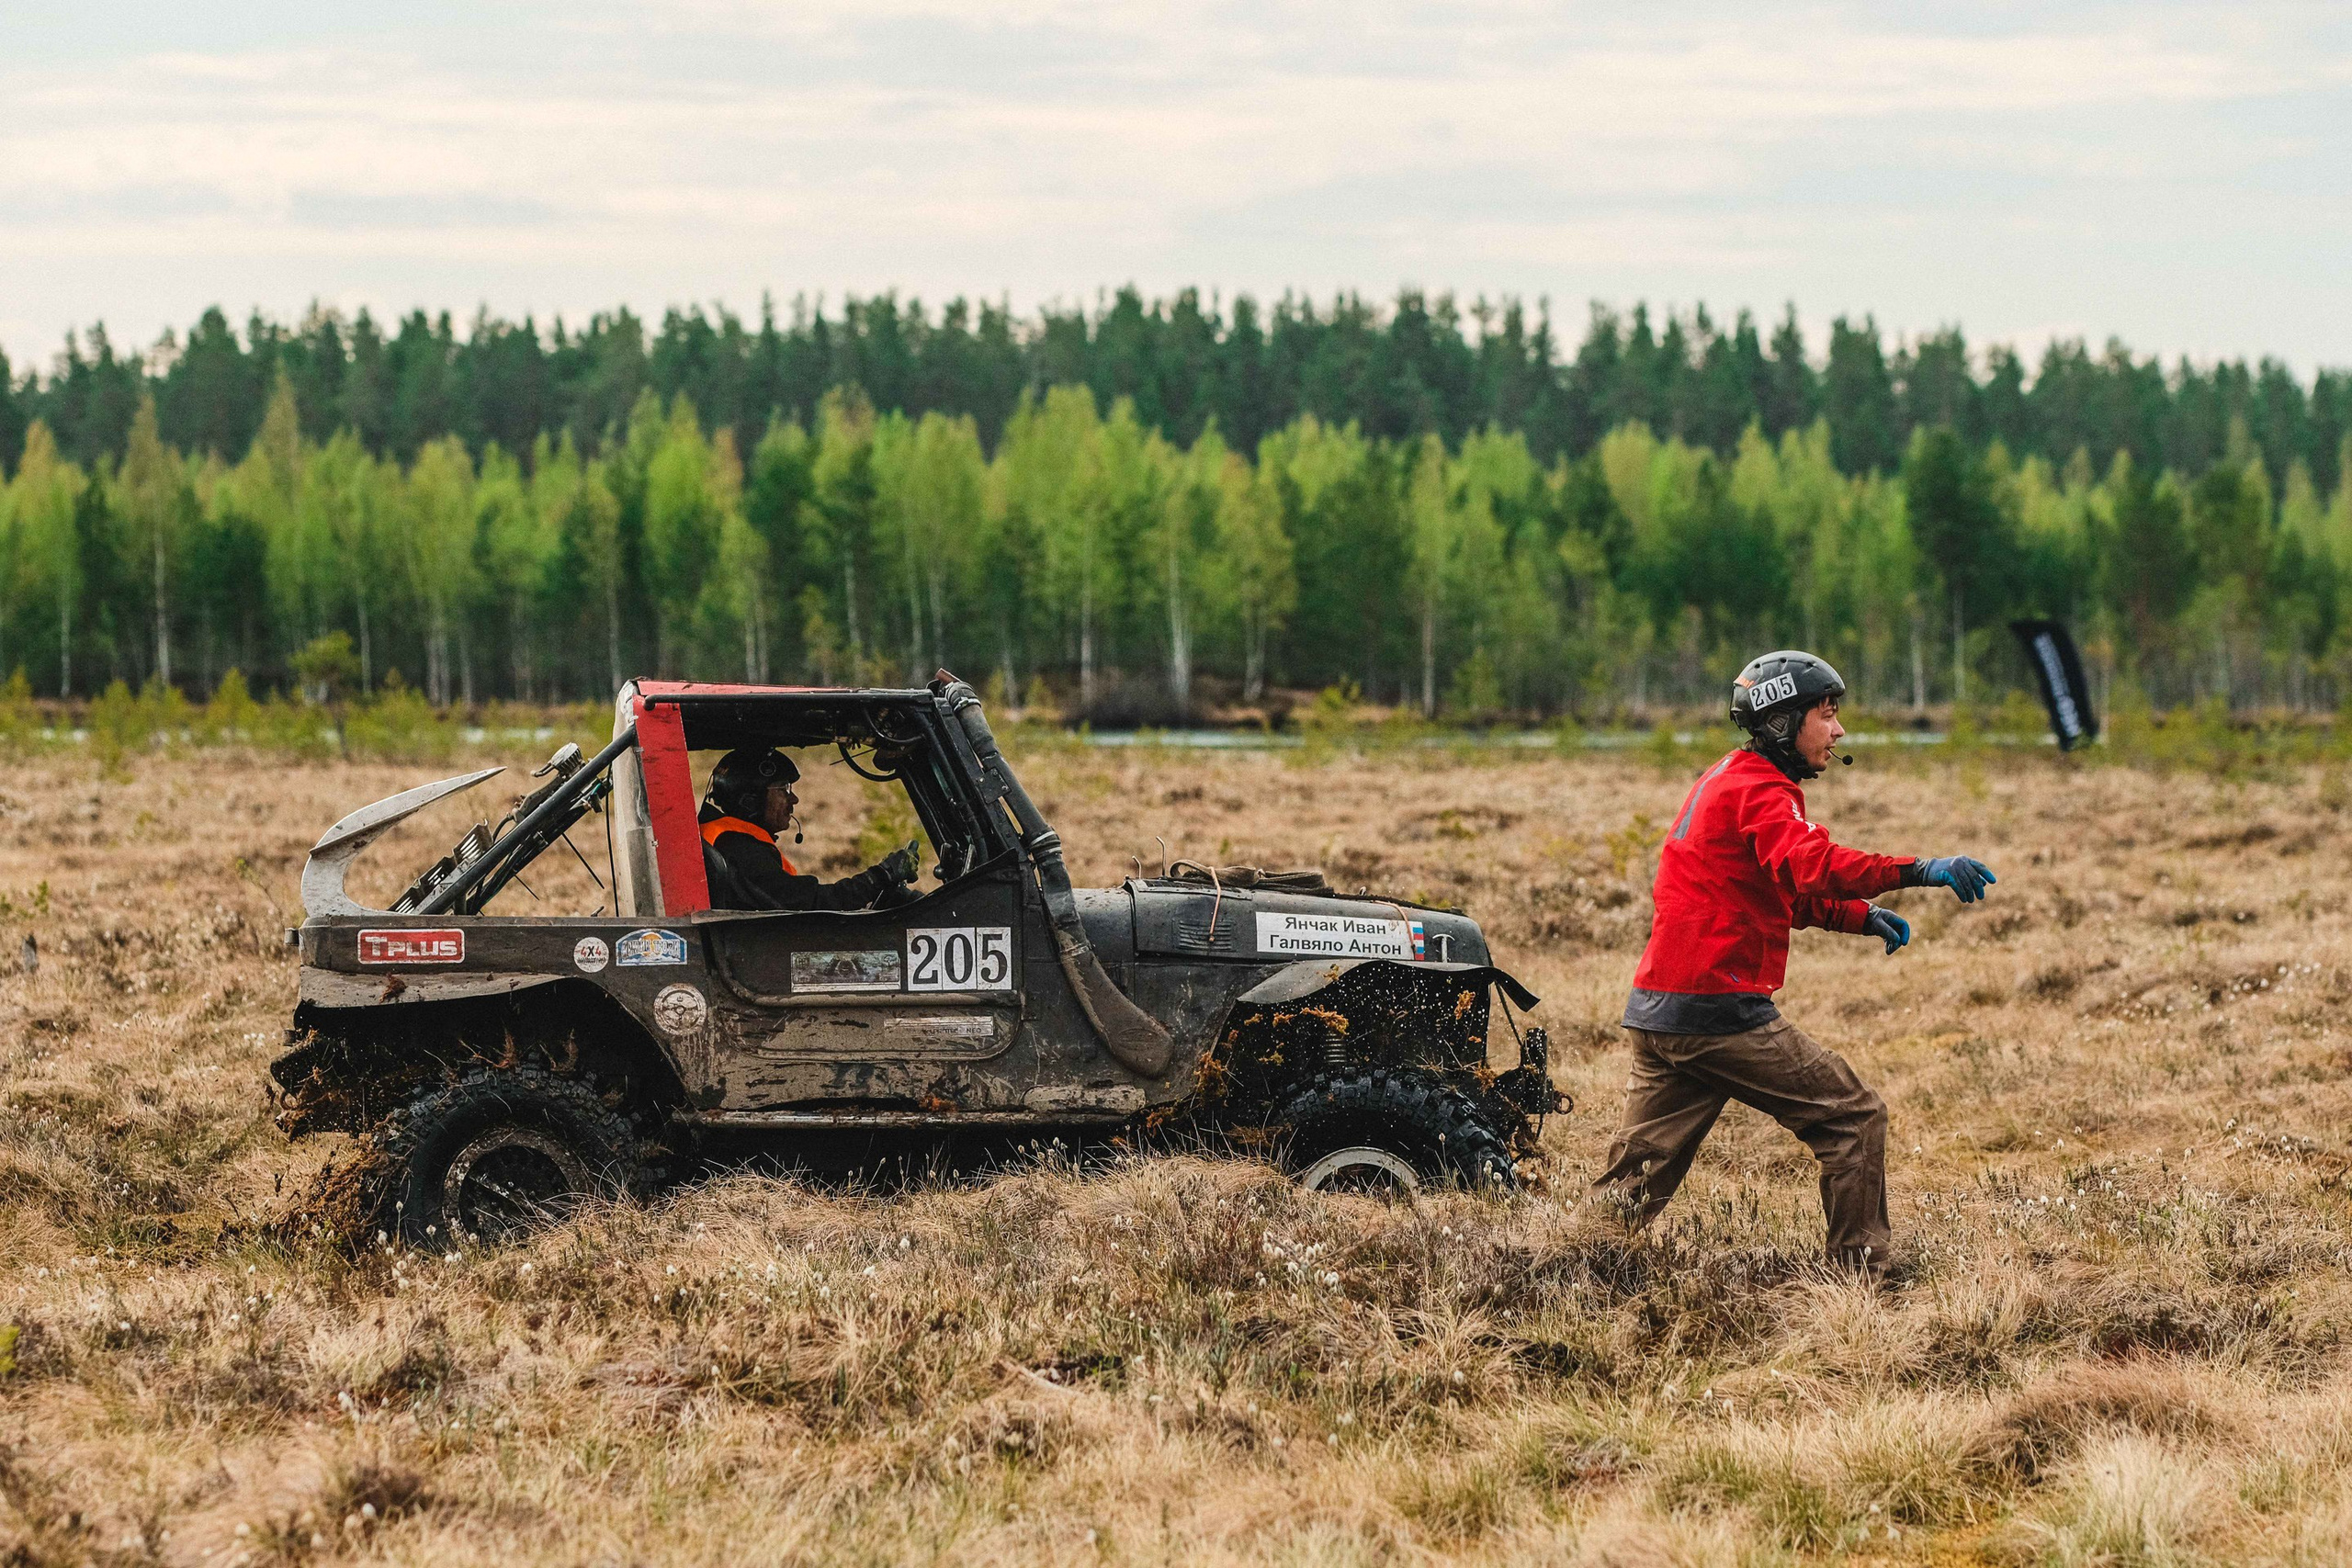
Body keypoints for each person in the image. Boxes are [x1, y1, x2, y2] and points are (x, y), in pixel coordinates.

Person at [1586, 650, 1996, 1273]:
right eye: (1827, 714)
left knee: (1633, 1182)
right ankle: (1863, 1279)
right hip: (1718, 1009)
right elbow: (1813, 865)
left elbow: (1778, 887)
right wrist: (1918, 869)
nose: (1839, 731)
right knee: (1855, 1116)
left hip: (1661, 1009)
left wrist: (1859, 915)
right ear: (1784, 720)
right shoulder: (1762, 789)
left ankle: (1568, 1270)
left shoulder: (1728, 775)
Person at [698, 747, 922, 911]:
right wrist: (880, 876)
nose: (793, 798)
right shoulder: (738, 847)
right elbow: (811, 904)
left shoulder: (722, 837)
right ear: (751, 799)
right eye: (783, 789)